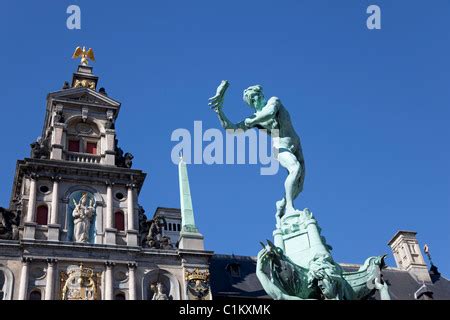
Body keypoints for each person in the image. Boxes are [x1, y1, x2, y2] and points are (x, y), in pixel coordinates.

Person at [209, 81, 306, 222]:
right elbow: (232, 130)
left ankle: (283, 203)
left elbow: (270, 113)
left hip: (296, 143)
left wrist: (249, 121)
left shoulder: (273, 101)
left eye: (255, 97)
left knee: (300, 184)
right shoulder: (254, 119)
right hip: (280, 146)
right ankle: (290, 208)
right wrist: (219, 111)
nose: (255, 101)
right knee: (295, 168)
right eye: (251, 100)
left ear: (261, 95)